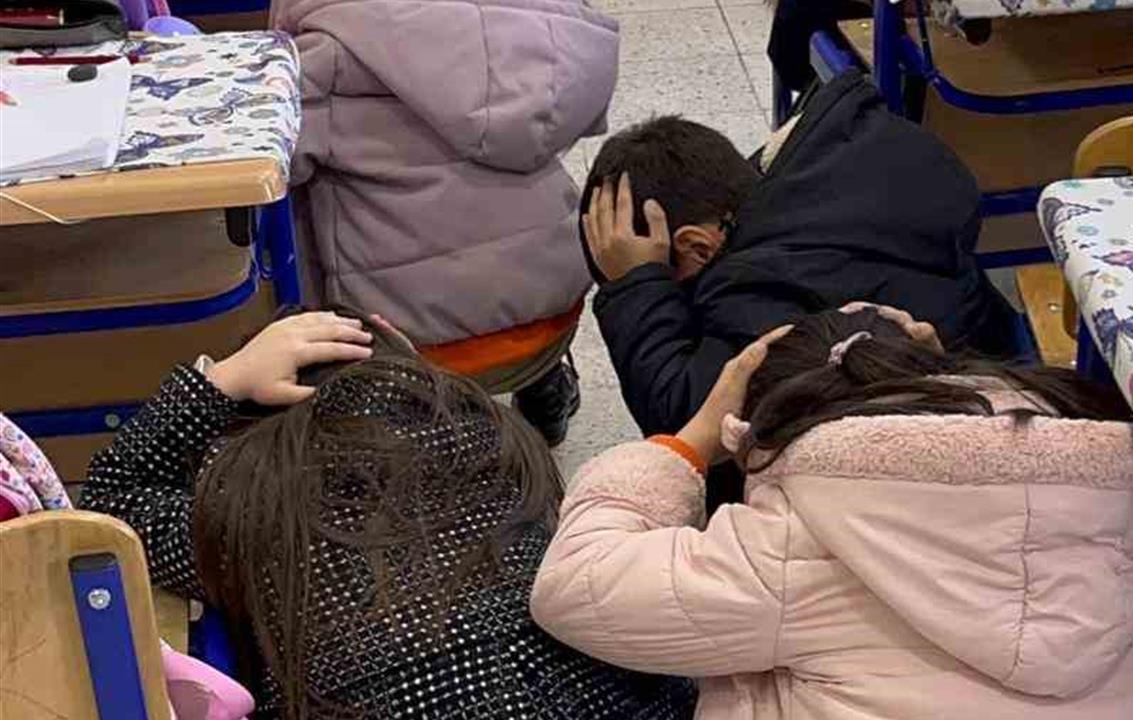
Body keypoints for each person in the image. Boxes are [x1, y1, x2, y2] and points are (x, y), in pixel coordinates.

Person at [531, 306, 1133, 720]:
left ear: (767, 424)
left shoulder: (798, 542)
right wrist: (951, 379)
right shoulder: (1102, 474)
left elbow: (575, 585)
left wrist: (691, 441)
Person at [79, 309, 696, 720]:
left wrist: (223, 379)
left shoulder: (255, 512)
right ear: (399, 349)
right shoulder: (497, 440)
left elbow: (108, 509)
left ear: (254, 429)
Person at [580, 71, 1021, 440]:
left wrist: (636, 287)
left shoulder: (764, 286)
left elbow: (686, 431)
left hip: (939, 443)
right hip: (993, 380)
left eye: (665, 273)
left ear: (698, 246)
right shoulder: (833, 167)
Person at [274, 0, 622, 446]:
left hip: (414, 348)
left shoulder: (324, 57)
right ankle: (545, 391)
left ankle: (413, 437)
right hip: (555, 313)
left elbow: (274, 170)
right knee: (521, 212)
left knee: (302, 215)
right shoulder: (538, 26)